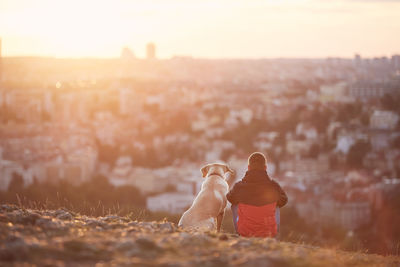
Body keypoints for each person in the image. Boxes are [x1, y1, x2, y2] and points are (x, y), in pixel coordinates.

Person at [226, 152, 288, 238]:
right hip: (268, 233)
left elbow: (229, 197)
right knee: (276, 204)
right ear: (265, 168)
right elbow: (284, 200)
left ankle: (240, 232)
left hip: (245, 232)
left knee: (235, 204)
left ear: (248, 168)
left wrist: (246, 199)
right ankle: (272, 232)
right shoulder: (274, 186)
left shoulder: (239, 186)